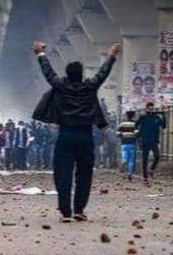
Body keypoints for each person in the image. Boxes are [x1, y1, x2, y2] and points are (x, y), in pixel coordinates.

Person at [33, 41, 121, 222]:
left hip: (65, 136)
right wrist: (111, 55)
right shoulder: (90, 87)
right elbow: (103, 73)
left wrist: (40, 53)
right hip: (85, 136)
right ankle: (79, 210)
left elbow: (48, 73)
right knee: (84, 174)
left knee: (62, 174)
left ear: (67, 74)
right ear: (81, 75)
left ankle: (66, 212)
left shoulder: (60, 86)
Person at [135, 102, 165, 186]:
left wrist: (164, 116)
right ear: (147, 109)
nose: (151, 110)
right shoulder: (143, 117)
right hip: (145, 141)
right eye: (150, 108)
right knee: (145, 160)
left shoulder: (156, 117)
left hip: (154, 141)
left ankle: (151, 169)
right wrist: (139, 137)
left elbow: (163, 126)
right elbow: (136, 126)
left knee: (157, 156)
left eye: (152, 108)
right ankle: (145, 178)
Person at [117, 110, 138, 181]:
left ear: (126, 116)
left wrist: (123, 136)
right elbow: (137, 133)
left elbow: (118, 134)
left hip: (124, 143)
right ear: (133, 116)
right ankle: (130, 174)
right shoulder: (135, 124)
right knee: (131, 160)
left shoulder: (122, 124)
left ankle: (124, 161)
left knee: (124, 156)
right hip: (132, 143)